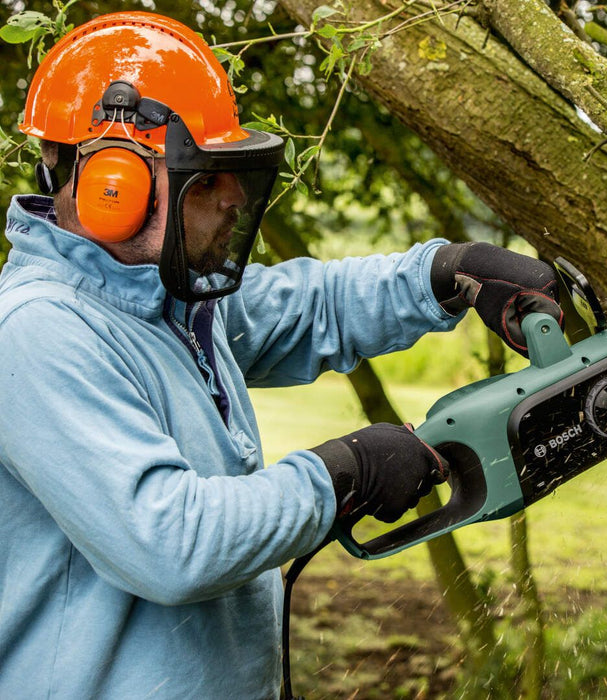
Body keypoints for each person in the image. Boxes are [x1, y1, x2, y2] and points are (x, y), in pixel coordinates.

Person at [0, 12, 563, 699]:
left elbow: (311, 306)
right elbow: (170, 542)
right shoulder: (40, 331)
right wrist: (343, 473)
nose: (233, 200)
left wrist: (447, 273)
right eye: (207, 179)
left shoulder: (168, 303)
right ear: (112, 185)